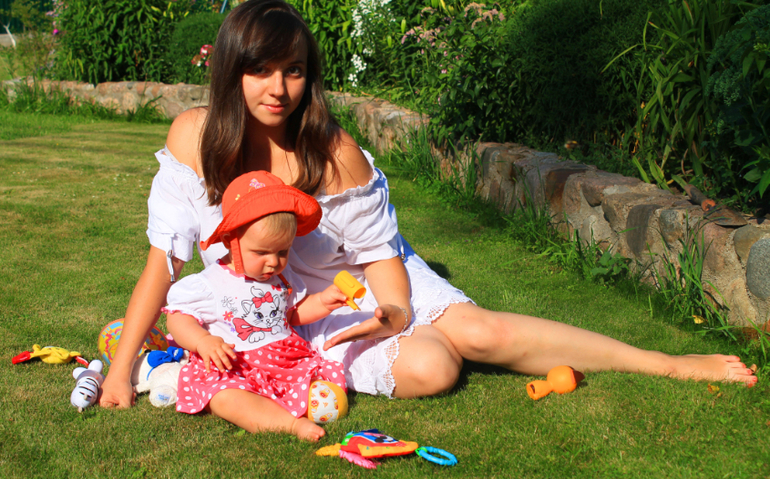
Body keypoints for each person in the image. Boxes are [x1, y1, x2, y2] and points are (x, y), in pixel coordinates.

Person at [99, 0, 756, 410]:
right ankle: (407, 345)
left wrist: (390, 314)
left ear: (308, 77)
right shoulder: (193, 140)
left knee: (482, 333)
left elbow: (383, 271)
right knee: (434, 368)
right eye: (260, 69)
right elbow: (164, 263)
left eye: (293, 70)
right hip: (283, 306)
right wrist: (120, 373)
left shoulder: (335, 153)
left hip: (360, 281)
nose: (278, 88)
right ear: (230, 70)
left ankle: (666, 363)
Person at [163, 170, 348, 441]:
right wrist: (203, 341)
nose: (273, 262)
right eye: (261, 252)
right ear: (230, 241)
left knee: (322, 386)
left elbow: (291, 314)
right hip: (236, 366)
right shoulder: (210, 283)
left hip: (285, 364)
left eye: (282, 252)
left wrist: (323, 302)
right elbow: (178, 318)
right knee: (225, 398)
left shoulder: (281, 277)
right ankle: (290, 424)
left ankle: (291, 400)